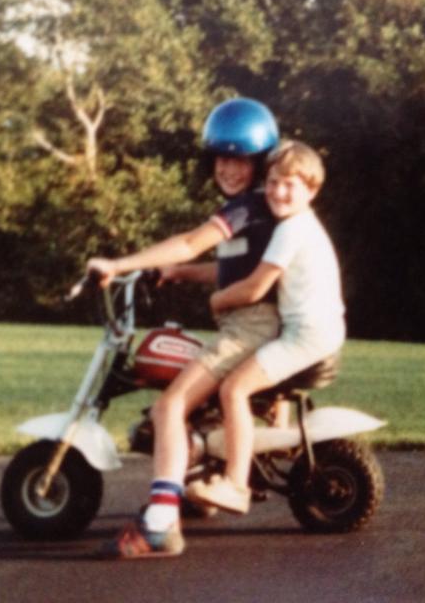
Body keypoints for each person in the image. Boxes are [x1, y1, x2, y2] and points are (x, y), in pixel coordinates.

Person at [90, 98, 281, 559]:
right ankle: (193, 483)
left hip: (249, 327)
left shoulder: (246, 208)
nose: (230, 169)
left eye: (241, 160)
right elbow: (227, 270)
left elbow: (194, 242)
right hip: (250, 323)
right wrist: (178, 274)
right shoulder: (251, 209)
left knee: (169, 405)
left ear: (259, 163)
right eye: (222, 158)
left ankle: (161, 523)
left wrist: (119, 264)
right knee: (186, 396)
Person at [186, 140, 345, 515]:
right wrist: (180, 273)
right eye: (273, 182)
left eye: (291, 184)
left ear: (312, 190)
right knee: (246, 376)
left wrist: (217, 301)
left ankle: (236, 485)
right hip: (315, 329)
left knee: (233, 389)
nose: (278, 192)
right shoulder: (298, 224)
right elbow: (229, 269)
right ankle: (254, 449)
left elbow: (256, 286)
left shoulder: (291, 229)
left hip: (306, 335)